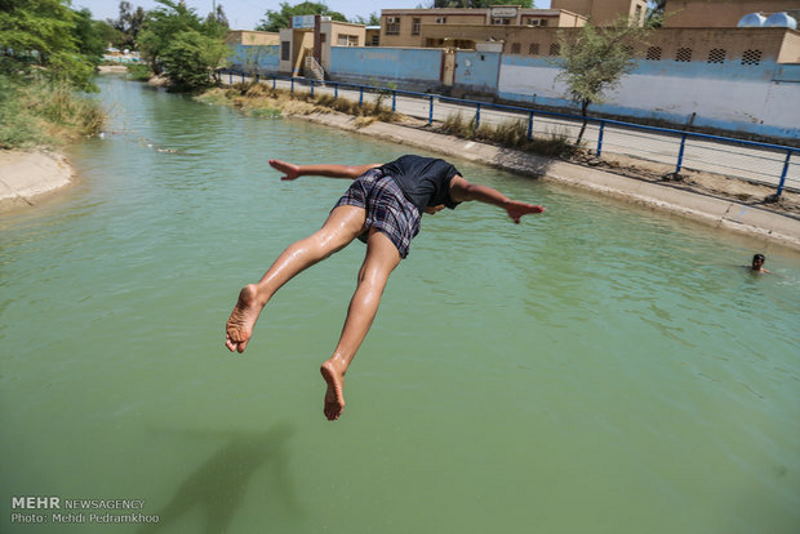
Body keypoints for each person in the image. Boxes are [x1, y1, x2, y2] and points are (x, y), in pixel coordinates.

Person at [225, 154, 545, 421]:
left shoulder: (398, 162)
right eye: (438, 209)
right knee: (373, 277)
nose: (435, 211)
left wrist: (301, 169)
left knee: (322, 240)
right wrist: (505, 203)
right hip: (402, 200)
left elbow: (348, 170)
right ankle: (339, 362)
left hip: (370, 182)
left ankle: (261, 292)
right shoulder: (448, 180)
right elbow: (471, 189)